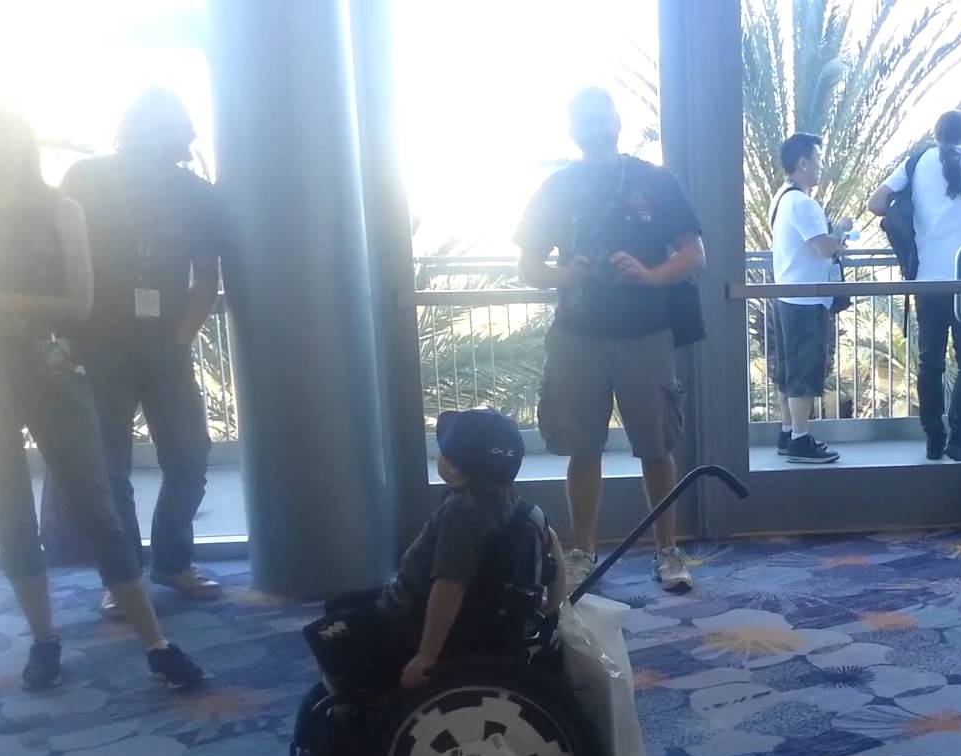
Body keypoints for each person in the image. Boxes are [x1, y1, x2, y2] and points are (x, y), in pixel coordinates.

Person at [0, 98, 205, 691]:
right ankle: (44, 640)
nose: (2, 155)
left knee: (97, 502)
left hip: (49, 366)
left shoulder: (60, 207)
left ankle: (155, 642)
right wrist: (4, 305)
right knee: (10, 512)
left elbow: (78, 304)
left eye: (11, 142)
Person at [515, 87, 706, 593]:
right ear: (572, 129)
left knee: (657, 447)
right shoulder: (557, 188)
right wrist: (566, 275)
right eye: (584, 120)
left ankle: (668, 551)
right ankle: (582, 553)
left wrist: (648, 274)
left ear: (617, 122)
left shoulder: (654, 181)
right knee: (583, 449)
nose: (594, 128)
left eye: (601, 118)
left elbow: (693, 255)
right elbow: (527, 267)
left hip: (646, 334)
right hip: (578, 336)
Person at [58, 88, 225, 616]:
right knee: (108, 471)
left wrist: (181, 338)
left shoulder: (197, 194)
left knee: (190, 459)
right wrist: (66, 334)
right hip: (98, 346)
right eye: (173, 127)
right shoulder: (85, 181)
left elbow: (207, 277)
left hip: (165, 350)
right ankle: (124, 575)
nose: (184, 137)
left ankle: (171, 562)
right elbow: (59, 260)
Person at [302, 408, 567, 695]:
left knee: (326, 636)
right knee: (343, 604)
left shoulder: (461, 513)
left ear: (453, 467)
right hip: (478, 620)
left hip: (411, 624)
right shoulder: (519, 507)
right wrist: (550, 609)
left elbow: (449, 587)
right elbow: (553, 547)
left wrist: (427, 656)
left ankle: (357, 698)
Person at [868, 110, 961, 462]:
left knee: (929, 360)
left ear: (936, 135)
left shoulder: (916, 162)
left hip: (928, 278)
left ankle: (934, 437)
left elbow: (876, 203)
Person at [766, 133, 847, 465]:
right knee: (804, 371)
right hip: (806, 300)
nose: (821, 167)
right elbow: (821, 247)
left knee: (788, 369)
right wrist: (840, 233)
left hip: (786, 295)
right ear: (803, 163)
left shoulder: (781, 198)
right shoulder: (803, 202)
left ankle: (788, 431)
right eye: (818, 160)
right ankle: (800, 437)